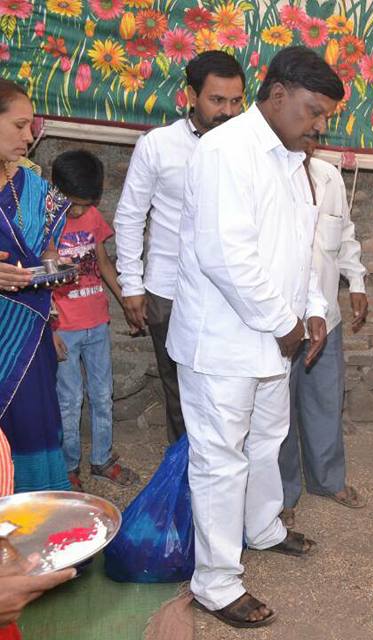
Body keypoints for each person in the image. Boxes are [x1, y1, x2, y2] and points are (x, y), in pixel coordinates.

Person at [166, 46, 343, 629]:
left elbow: (300, 251)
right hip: (222, 343)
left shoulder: (291, 159)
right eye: (314, 111)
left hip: (273, 339)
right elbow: (227, 256)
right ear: (276, 94)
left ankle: (263, 527)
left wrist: (313, 308)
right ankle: (216, 582)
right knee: (220, 460)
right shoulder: (226, 150)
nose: (319, 125)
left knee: (268, 437)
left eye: (324, 116)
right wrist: (285, 323)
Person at [114, 51, 245, 444]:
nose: (227, 111)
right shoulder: (158, 145)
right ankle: (182, 483)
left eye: (236, 101)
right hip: (168, 291)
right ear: (191, 95)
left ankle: (223, 475)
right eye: (217, 100)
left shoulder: (247, 149)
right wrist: (132, 286)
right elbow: (130, 216)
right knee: (178, 393)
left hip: (230, 293)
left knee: (227, 392)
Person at [278, 137, 368, 524]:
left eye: (316, 129)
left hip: (325, 317)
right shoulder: (270, 176)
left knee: (325, 402)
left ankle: (328, 480)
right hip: (281, 320)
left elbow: (344, 236)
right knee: (277, 413)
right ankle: (282, 495)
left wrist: (358, 282)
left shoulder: (330, 176)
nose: (309, 137)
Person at [50, 150, 139, 491]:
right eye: (74, 204)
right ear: (55, 192)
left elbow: (102, 263)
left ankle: (102, 458)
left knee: (103, 394)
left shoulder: (92, 219)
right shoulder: (46, 226)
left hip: (97, 323)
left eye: (87, 204)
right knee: (69, 401)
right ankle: (69, 466)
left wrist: (127, 301)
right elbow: (37, 280)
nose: (80, 211)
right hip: (65, 329)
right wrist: (50, 327)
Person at [0, 79, 73, 493]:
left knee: (31, 427)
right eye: (20, 125)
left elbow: (47, 253)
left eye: (32, 126)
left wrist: (54, 270)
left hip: (28, 340)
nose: (29, 137)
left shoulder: (35, 190)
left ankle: (30, 542)